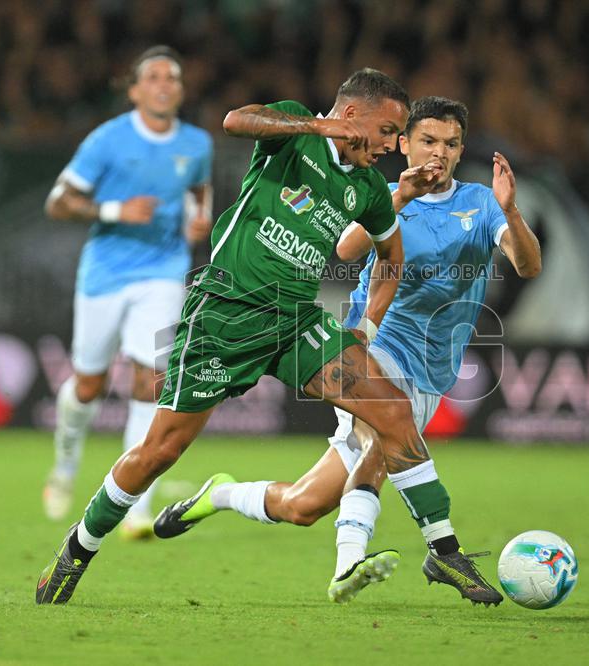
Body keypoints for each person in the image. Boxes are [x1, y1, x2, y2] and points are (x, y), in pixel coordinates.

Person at [36, 71, 499, 607]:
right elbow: (237, 120)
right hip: (226, 316)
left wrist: (364, 329)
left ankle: (443, 549)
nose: (394, 144)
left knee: (391, 411)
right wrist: (317, 126)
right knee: (160, 452)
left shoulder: (371, 189)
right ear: (351, 117)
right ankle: (78, 547)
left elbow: (390, 259)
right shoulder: (295, 134)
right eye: (389, 129)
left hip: (297, 322)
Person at [154, 96, 542, 603]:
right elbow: (346, 249)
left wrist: (510, 209)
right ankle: (361, 563)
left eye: (449, 144)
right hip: (372, 343)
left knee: (303, 505)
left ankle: (219, 493)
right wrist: (401, 199)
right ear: (403, 144)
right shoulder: (377, 191)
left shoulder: (481, 202)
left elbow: (527, 265)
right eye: (427, 141)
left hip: (433, 370)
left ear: (460, 149)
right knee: (379, 437)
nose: (438, 153)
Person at [40, 46, 214, 539]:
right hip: (104, 275)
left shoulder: (197, 143)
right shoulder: (108, 140)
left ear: (180, 90)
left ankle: (133, 504)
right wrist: (114, 211)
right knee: (88, 386)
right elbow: (58, 202)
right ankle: (65, 465)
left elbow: (198, 189)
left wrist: (198, 219)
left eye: (172, 78)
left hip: (162, 272)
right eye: (153, 77)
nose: (163, 84)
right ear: (135, 90)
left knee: (151, 380)